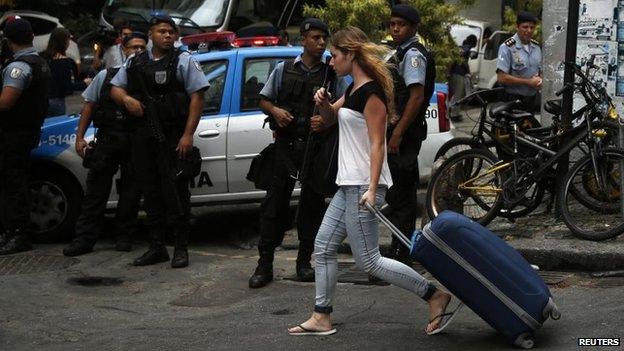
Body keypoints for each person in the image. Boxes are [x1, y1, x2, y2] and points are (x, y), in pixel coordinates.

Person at [287, 26, 462, 336]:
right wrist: (323, 103)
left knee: (370, 261)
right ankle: (321, 316)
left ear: (350, 55)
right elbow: (326, 121)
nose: (331, 61)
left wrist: (371, 189)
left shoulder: (372, 95)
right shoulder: (352, 89)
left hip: (363, 186)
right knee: (324, 247)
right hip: (348, 184)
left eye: (336, 55)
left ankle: (434, 295)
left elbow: (377, 144)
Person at [248, 18, 347, 288]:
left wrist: (327, 119)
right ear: (303, 39)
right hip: (286, 147)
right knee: (274, 206)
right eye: (315, 38)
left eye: (323, 38)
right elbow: (264, 100)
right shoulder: (283, 69)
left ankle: (304, 261)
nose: (320, 43)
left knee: (311, 208)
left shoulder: (333, 73)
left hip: (315, 148)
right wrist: (276, 111)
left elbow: (344, 106)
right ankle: (264, 264)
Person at [110, 13, 209, 268]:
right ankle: (157, 247)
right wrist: (126, 100)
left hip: (173, 135)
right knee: (150, 192)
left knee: (176, 193)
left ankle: (180, 247)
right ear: (151, 35)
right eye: (162, 31)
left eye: (171, 32)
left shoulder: (183, 60)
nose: (167, 36)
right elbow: (115, 88)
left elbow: (198, 97)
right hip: (144, 136)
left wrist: (187, 135)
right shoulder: (135, 60)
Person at [62, 32, 148, 257]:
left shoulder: (149, 76)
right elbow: (89, 107)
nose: (137, 51)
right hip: (108, 139)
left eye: (141, 47)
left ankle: (124, 236)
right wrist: (80, 137)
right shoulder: (106, 75)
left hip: (135, 140)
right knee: (95, 192)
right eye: (132, 47)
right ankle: (85, 239)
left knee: (131, 192)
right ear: (123, 50)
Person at [384, 4, 435, 266]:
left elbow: (415, 98)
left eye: (400, 25)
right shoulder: (399, 52)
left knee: (402, 194)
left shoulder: (413, 55)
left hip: (404, 134)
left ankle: (402, 252)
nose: (395, 28)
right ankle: (398, 248)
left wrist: (398, 134)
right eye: (392, 24)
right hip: (399, 132)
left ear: (413, 28)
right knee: (397, 192)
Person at [0, 18, 51, 255]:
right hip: (27, 131)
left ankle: (17, 234)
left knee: (12, 185)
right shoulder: (40, 62)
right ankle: (13, 231)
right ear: (31, 36)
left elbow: (5, 103)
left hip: (13, 134)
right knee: (15, 182)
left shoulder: (17, 67)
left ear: (9, 41)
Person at [496, 11, 542, 111]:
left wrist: (540, 81)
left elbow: (540, 71)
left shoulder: (537, 47)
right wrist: (528, 82)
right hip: (512, 101)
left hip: (531, 101)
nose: (529, 30)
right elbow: (501, 78)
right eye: (525, 27)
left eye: (532, 27)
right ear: (517, 27)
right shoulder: (507, 47)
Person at [42, 27, 81, 116]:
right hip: (57, 102)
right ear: (64, 42)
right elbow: (68, 87)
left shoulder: (43, 57)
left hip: (42, 101)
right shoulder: (66, 62)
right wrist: (85, 83)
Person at [448, 34, 477, 122]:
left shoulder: (462, 47)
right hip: (458, 74)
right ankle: (454, 114)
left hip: (454, 73)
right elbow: (463, 61)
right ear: (473, 42)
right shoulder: (467, 49)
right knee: (458, 95)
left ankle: (451, 110)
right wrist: (468, 71)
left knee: (456, 94)